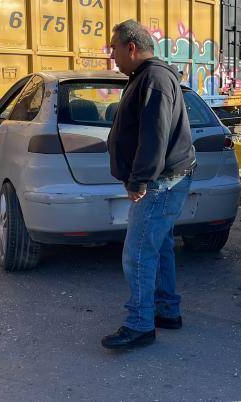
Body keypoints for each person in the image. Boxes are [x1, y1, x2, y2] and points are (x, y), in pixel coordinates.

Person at [101, 20, 196, 350]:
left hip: (159, 183)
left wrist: (140, 180)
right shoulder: (145, 77)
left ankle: (140, 324)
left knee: (137, 253)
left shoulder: (153, 79)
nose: (110, 54)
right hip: (165, 180)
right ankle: (166, 311)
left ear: (131, 47)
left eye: (113, 47)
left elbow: (154, 136)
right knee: (159, 247)